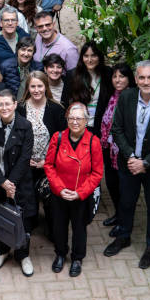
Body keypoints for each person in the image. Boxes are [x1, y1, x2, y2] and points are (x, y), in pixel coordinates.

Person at [105, 61, 150, 270]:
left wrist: (146, 163)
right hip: (128, 163)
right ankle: (123, 237)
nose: (146, 82)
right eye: (142, 78)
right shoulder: (127, 97)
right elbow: (116, 129)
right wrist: (130, 157)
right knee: (126, 203)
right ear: (136, 80)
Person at [44, 104, 103, 277]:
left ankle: (77, 258)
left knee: (79, 228)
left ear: (86, 121)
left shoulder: (94, 141)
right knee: (59, 226)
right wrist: (59, 188)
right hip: (59, 193)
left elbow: (97, 172)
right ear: (67, 120)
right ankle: (60, 254)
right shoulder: (58, 137)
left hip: (80, 195)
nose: (75, 122)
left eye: (79, 118)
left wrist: (81, 193)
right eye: (71, 118)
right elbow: (49, 165)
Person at [0, 90, 36, 277]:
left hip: (19, 183)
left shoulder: (25, 126)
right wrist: (1, 181)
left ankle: (23, 255)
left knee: (23, 219)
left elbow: (25, 157)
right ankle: (2, 251)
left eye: (7, 104)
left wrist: (11, 183)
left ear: (14, 105)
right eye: (0, 104)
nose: (4, 108)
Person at [18, 71, 67, 233]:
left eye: (40, 86)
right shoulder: (21, 108)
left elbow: (63, 141)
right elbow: (16, 139)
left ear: (46, 87)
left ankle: (53, 227)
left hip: (50, 165)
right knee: (27, 200)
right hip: (26, 164)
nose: (37, 90)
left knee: (52, 201)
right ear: (28, 88)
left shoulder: (57, 109)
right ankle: (29, 221)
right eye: (33, 86)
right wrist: (25, 160)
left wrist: (47, 162)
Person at [96, 63, 136, 234]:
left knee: (124, 187)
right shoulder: (110, 95)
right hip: (108, 147)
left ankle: (124, 222)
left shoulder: (133, 97)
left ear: (129, 79)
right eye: (115, 76)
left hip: (123, 150)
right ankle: (118, 214)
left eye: (122, 76)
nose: (118, 80)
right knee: (112, 183)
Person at [66, 41, 112, 132]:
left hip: (101, 125)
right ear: (82, 58)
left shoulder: (108, 73)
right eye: (86, 56)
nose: (89, 60)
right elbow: (66, 101)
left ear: (99, 57)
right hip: (79, 125)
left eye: (93, 56)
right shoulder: (73, 75)